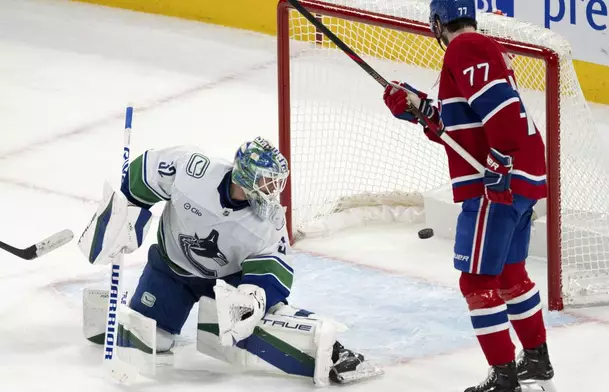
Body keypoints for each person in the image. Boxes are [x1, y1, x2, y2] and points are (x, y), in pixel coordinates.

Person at [78, 136, 382, 385]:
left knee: (244, 327)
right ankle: (121, 310)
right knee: (155, 339)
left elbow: (273, 267)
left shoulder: (269, 220)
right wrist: (127, 215)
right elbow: (143, 175)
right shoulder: (193, 169)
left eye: (276, 183)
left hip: (226, 282)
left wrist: (255, 296)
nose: (272, 190)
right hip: (171, 270)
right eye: (265, 181)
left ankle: (332, 352)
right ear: (245, 175)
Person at [382, 1, 555, 391]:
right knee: (510, 274)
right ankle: (536, 360)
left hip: (498, 184)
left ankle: (504, 378)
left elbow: (504, 111)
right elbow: (463, 125)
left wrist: (499, 160)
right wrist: (418, 108)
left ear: (438, 23)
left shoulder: (465, 48)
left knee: (477, 282)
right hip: (519, 178)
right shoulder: (480, 49)